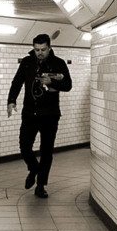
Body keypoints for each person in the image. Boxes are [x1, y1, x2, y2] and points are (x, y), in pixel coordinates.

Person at [6, 33, 73, 198]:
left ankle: (41, 185)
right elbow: (17, 82)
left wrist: (52, 82)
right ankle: (34, 169)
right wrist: (11, 101)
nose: (40, 52)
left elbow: (68, 85)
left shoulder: (58, 63)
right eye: (37, 50)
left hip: (50, 115)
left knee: (46, 151)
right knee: (24, 147)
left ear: (49, 48)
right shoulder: (28, 62)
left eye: (43, 49)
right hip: (29, 113)